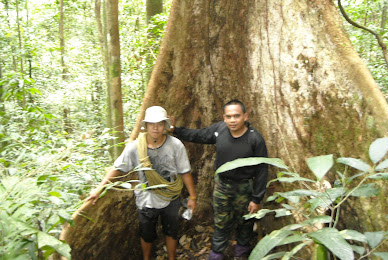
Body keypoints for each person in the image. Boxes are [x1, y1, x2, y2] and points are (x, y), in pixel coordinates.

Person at [87, 106, 197, 260]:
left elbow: (185, 171)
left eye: (159, 124)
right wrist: (99, 189)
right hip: (146, 199)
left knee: (171, 230)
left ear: (165, 125)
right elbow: (118, 168)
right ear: (146, 125)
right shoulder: (135, 147)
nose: (156, 128)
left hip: (171, 197)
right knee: (146, 234)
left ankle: (171, 257)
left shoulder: (175, 145)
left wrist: (192, 197)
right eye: (152, 124)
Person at [170, 99, 268, 260]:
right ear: (224, 117)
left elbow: (262, 170)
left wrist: (256, 199)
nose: (232, 120)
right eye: (229, 116)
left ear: (245, 116)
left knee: (246, 221)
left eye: (236, 116)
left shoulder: (255, 138)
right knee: (221, 222)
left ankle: (241, 252)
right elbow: (199, 135)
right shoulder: (220, 129)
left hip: (245, 187)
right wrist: (176, 130)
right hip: (222, 186)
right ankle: (217, 254)